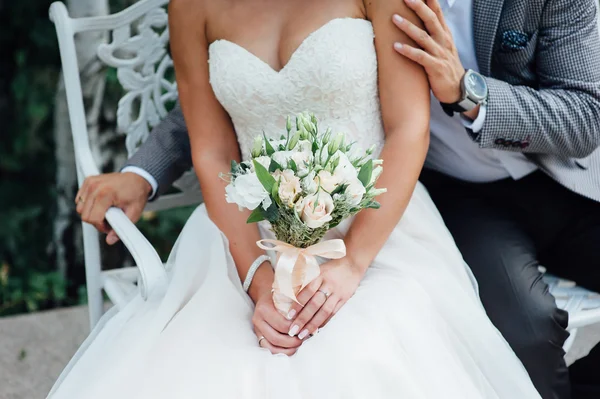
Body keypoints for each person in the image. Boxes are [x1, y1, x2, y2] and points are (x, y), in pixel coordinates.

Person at [73, 0, 600, 398]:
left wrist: (466, 90)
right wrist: (255, 274)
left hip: (512, 186)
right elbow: (213, 129)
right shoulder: (192, 7)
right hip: (277, 225)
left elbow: (581, 116)